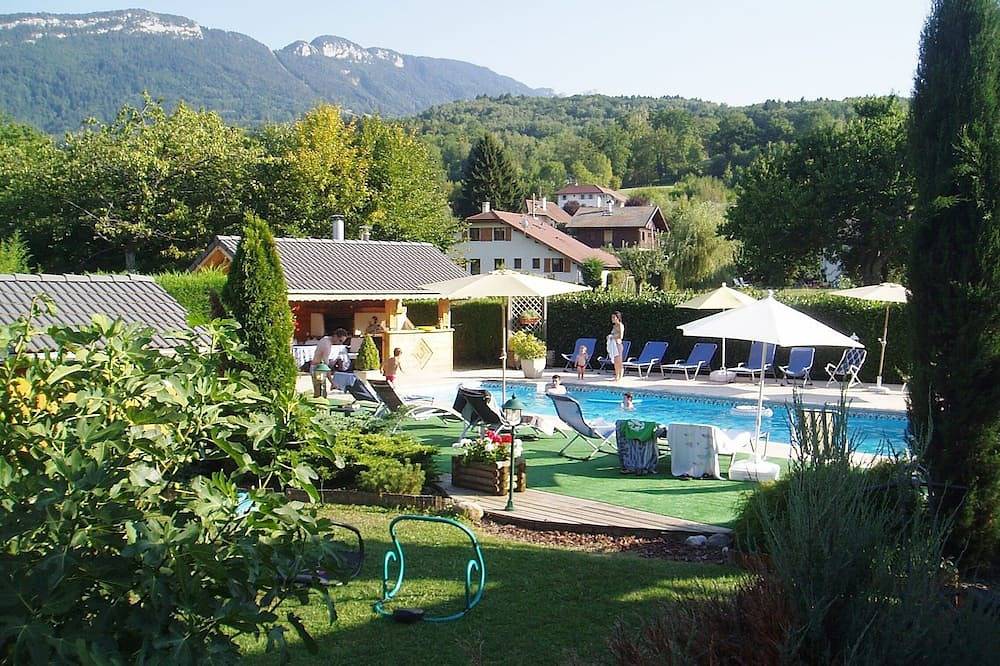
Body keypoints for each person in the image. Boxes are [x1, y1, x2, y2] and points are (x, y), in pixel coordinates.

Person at [608, 311, 625, 381]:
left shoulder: (620, 325)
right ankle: (617, 375)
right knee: (615, 361)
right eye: (612, 317)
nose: (612, 319)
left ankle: (620, 376)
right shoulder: (614, 326)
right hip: (613, 345)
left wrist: (612, 337)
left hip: (618, 344)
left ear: (617, 318)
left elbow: (621, 336)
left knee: (619, 361)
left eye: (613, 317)